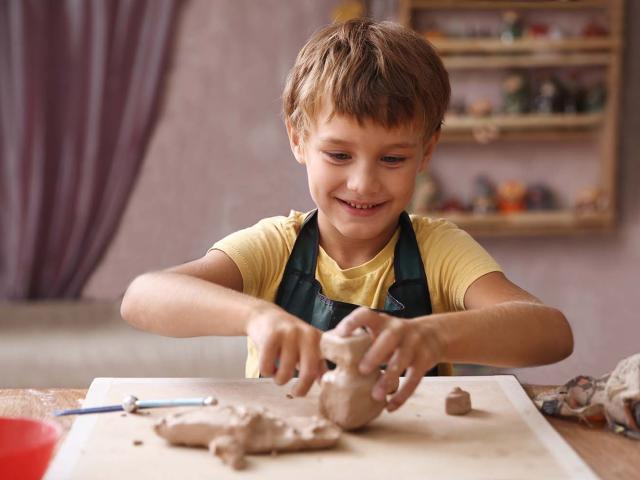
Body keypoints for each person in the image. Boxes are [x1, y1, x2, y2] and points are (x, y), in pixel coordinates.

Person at [120, 18, 573, 413]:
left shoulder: (439, 250)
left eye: (392, 159)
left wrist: (433, 336)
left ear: (426, 152)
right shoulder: (276, 247)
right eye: (338, 154)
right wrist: (259, 317)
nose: (363, 183)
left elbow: (551, 332)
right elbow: (143, 297)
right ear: (298, 140)